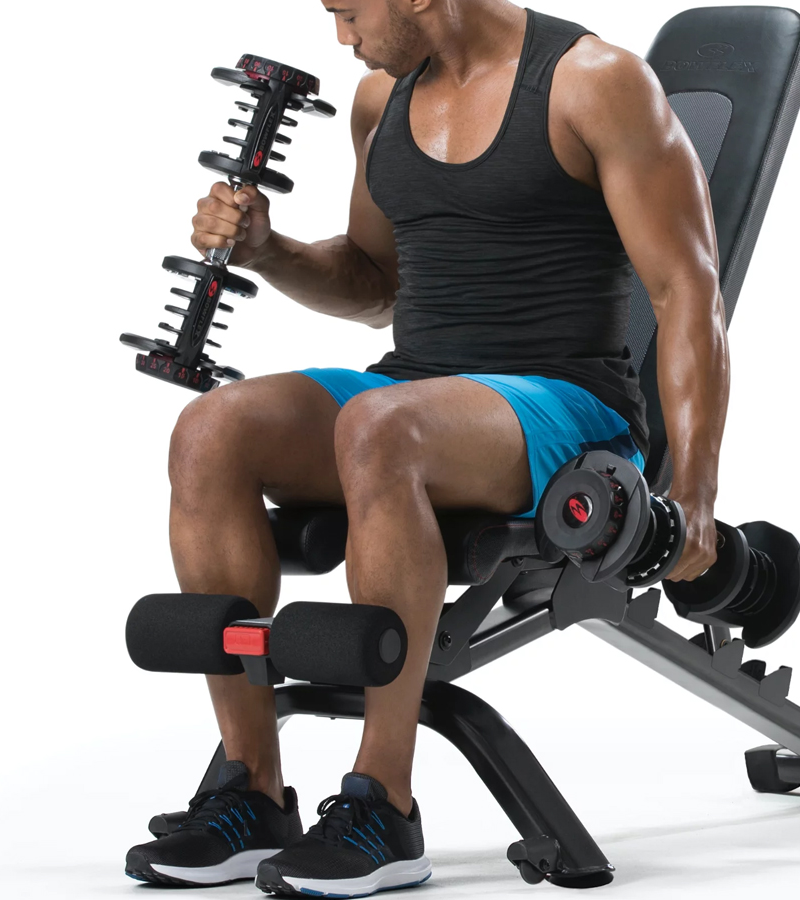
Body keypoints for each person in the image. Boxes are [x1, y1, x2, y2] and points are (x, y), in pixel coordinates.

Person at [125, 0, 729, 895]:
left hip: (567, 406)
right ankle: (251, 790)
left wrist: (699, 505)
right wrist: (268, 249)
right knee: (212, 427)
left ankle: (384, 808)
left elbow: (688, 295)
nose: (340, 37)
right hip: (413, 391)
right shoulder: (381, 98)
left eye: (348, 11)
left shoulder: (591, 83)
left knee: (381, 425)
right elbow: (373, 287)